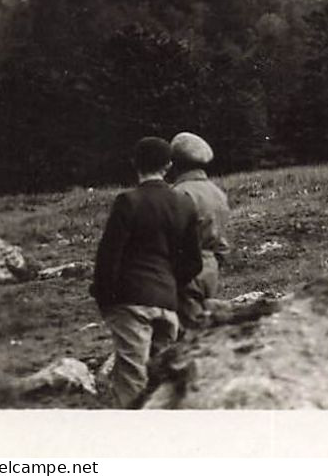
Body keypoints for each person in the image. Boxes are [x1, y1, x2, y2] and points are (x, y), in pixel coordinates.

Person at [91, 136, 203, 407]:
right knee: (162, 378)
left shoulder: (128, 201)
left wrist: (105, 298)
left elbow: (109, 257)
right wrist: (170, 285)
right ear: (168, 166)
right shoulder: (184, 203)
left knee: (132, 377)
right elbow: (194, 262)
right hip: (166, 302)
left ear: (134, 164)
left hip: (130, 302)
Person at [169, 131, 231, 329]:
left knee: (190, 331)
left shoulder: (178, 193)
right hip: (210, 268)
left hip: (186, 269)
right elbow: (223, 241)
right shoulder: (217, 192)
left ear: (175, 163)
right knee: (203, 321)